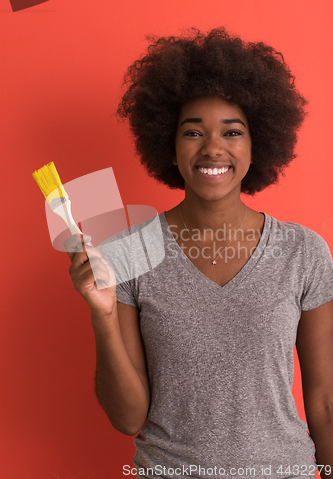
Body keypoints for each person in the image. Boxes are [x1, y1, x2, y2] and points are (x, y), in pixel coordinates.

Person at [65, 28, 333, 479]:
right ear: (169, 146)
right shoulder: (129, 253)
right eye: (193, 132)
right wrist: (103, 315)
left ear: (257, 146)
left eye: (233, 132)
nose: (212, 147)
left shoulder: (303, 252)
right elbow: (128, 419)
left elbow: (325, 402)